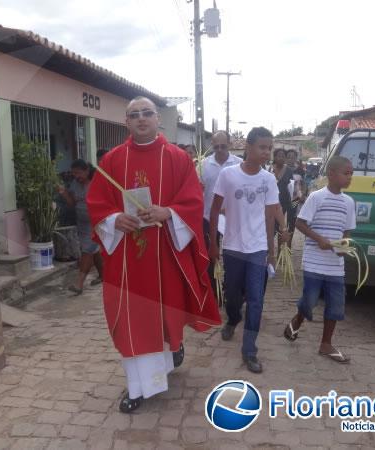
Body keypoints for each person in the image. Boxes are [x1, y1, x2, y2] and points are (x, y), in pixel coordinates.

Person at [86, 96, 221, 413]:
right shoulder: (112, 161)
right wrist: (113, 219)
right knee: (130, 321)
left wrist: (168, 212)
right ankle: (138, 387)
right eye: (135, 115)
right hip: (125, 260)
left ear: (158, 119)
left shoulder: (177, 158)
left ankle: (168, 357)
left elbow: (192, 202)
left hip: (164, 257)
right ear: (126, 122)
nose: (142, 119)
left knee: (161, 317)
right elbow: (96, 203)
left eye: (147, 113)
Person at [209, 127, 290, 373]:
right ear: (248, 147)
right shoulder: (228, 175)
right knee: (232, 296)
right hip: (232, 247)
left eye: (269, 147)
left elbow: (272, 211)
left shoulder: (268, 180)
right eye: (262, 147)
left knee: (256, 301)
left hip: (257, 249)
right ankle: (233, 319)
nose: (266, 152)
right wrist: (213, 243)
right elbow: (214, 211)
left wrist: (275, 244)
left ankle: (249, 350)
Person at [283, 156, 356, 364]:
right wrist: (320, 240)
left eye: (351, 173)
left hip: (336, 266)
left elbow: (347, 231)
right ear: (331, 174)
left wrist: (344, 247)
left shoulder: (349, 202)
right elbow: (300, 223)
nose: (349, 177)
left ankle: (326, 344)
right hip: (314, 262)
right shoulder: (317, 197)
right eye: (346, 173)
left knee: (336, 305)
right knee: (310, 300)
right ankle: (297, 320)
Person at [200, 131, 242, 293]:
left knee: (233, 254)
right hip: (208, 217)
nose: (219, 150)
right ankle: (214, 291)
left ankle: (231, 289)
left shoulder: (239, 164)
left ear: (229, 144)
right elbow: (197, 191)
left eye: (223, 146)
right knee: (211, 254)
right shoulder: (203, 165)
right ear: (212, 145)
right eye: (216, 146)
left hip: (232, 218)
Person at [58, 159, 103, 296]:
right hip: (82, 223)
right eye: (74, 173)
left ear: (87, 171)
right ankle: (103, 275)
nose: (76, 176)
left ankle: (79, 284)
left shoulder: (97, 182)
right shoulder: (74, 185)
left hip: (96, 222)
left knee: (87, 250)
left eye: (78, 173)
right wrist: (63, 193)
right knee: (93, 250)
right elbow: (72, 203)